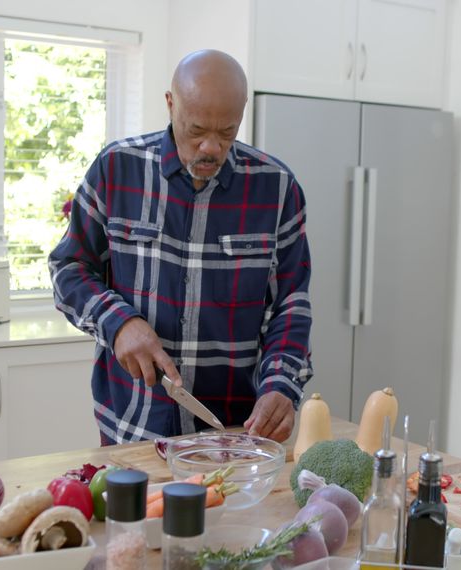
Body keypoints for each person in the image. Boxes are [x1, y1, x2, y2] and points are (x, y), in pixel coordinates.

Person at [48, 49, 313, 445]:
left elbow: (290, 303)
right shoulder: (117, 168)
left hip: (232, 436)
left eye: (227, 132)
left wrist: (281, 383)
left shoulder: (276, 188)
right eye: (197, 130)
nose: (211, 147)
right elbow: (68, 268)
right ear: (171, 104)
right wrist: (118, 322)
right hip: (131, 430)